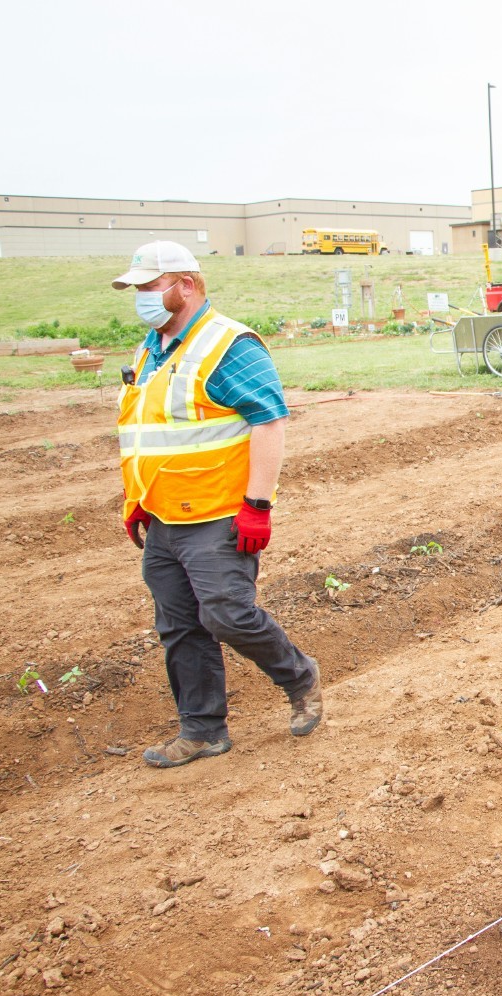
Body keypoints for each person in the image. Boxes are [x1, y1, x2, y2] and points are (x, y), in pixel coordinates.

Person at [113, 241, 321, 767]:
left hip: (216, 514)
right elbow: (148, 431)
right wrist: (139, 499)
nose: (141, 296)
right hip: (162, 516)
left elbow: (268, 420)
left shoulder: (228, 344)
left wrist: (257, 505)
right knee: (179, 627)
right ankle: (203, 730)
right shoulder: (151, 348)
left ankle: (300, 677)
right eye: (137, 288)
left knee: (227, 614)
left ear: (186, 284)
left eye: (149, 286)